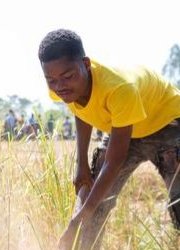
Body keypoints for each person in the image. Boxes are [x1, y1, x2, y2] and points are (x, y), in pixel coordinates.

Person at [38, 29, 180, 249]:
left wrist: (76, 222)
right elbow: (82, 109)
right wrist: (82, 163)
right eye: (51, 80)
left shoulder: (119, 90)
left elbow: (114, 162)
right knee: (94, 200)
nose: (60, 86)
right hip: (123, 127)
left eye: (67, 77)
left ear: (85, 64)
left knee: (179, 200)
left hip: (166, 122)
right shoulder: (63, 86)